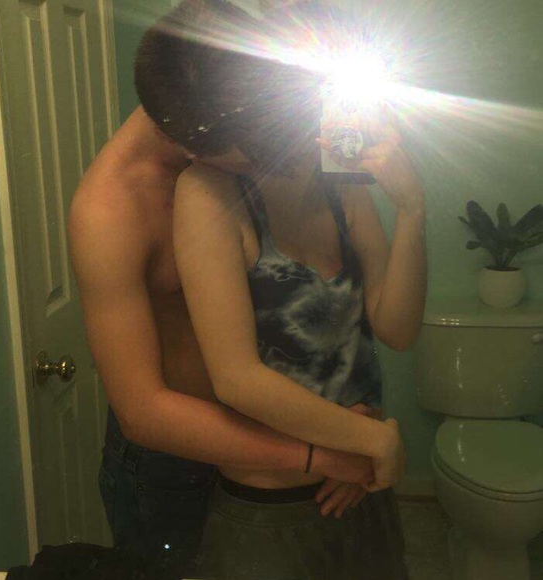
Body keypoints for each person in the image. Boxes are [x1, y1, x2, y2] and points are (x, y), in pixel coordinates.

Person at [68, 1, 380, 578]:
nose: (275, 161)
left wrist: (342, 421)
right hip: (175, 469)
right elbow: (141, 410)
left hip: (278, 439)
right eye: (252, 159)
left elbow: (321, 291)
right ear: (190, 146)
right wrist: (322, 454)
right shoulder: (110, 211)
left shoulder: (237, 117)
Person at [134, 1, 426, 577]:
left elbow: (395, 328)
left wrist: (412, 209)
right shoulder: (208, 193)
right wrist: (372, 441)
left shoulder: (331, 168)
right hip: (271, 511)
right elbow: (237, 378)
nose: (266, 152)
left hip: (362, 486)